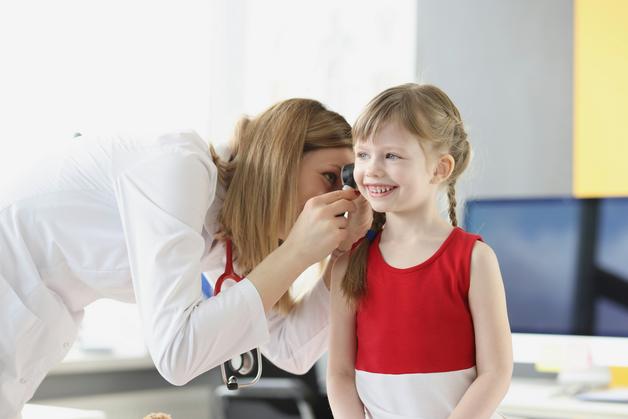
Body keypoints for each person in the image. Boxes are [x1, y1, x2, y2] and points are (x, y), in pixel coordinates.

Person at [0, 98, 371, 418]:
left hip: (28, 328)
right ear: (281, 159)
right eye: (329, 177)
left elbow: (290, 350)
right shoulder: (180, 169)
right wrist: (297, 252)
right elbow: (176, 353)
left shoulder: (229, 227)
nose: (339, 198)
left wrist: (343, 259)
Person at [327, 84, 512, 419]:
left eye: (392, 155)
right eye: (363, 155)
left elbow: (495, 373)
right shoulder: (349, 264)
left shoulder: (474, 260)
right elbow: (340, 374)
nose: (372, 169)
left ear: (439, 169)